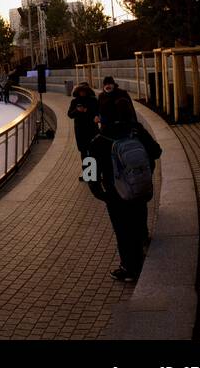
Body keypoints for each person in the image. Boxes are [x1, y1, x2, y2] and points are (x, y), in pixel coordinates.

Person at [87, 97, 160, 282]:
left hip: (116, 194)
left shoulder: (98, 141)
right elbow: (157, 151)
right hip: (140, 187)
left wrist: (100, 193)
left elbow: (90, 173)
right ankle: (142, 241)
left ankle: (130, 268)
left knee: (122, 230)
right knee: (138, 218)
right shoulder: (136, 131)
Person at [67, 83, 100, 158]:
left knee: (94, 150)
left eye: (84, 90)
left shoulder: (93, 100)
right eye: (81, 91)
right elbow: (70, 115)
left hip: (92, 129)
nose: (82, 92)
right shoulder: (74, 102)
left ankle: (95, 169)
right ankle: (86, 169)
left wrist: (88, 111)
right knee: (84, 152)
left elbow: (98, 111)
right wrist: (77, 110)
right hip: (80, 130)